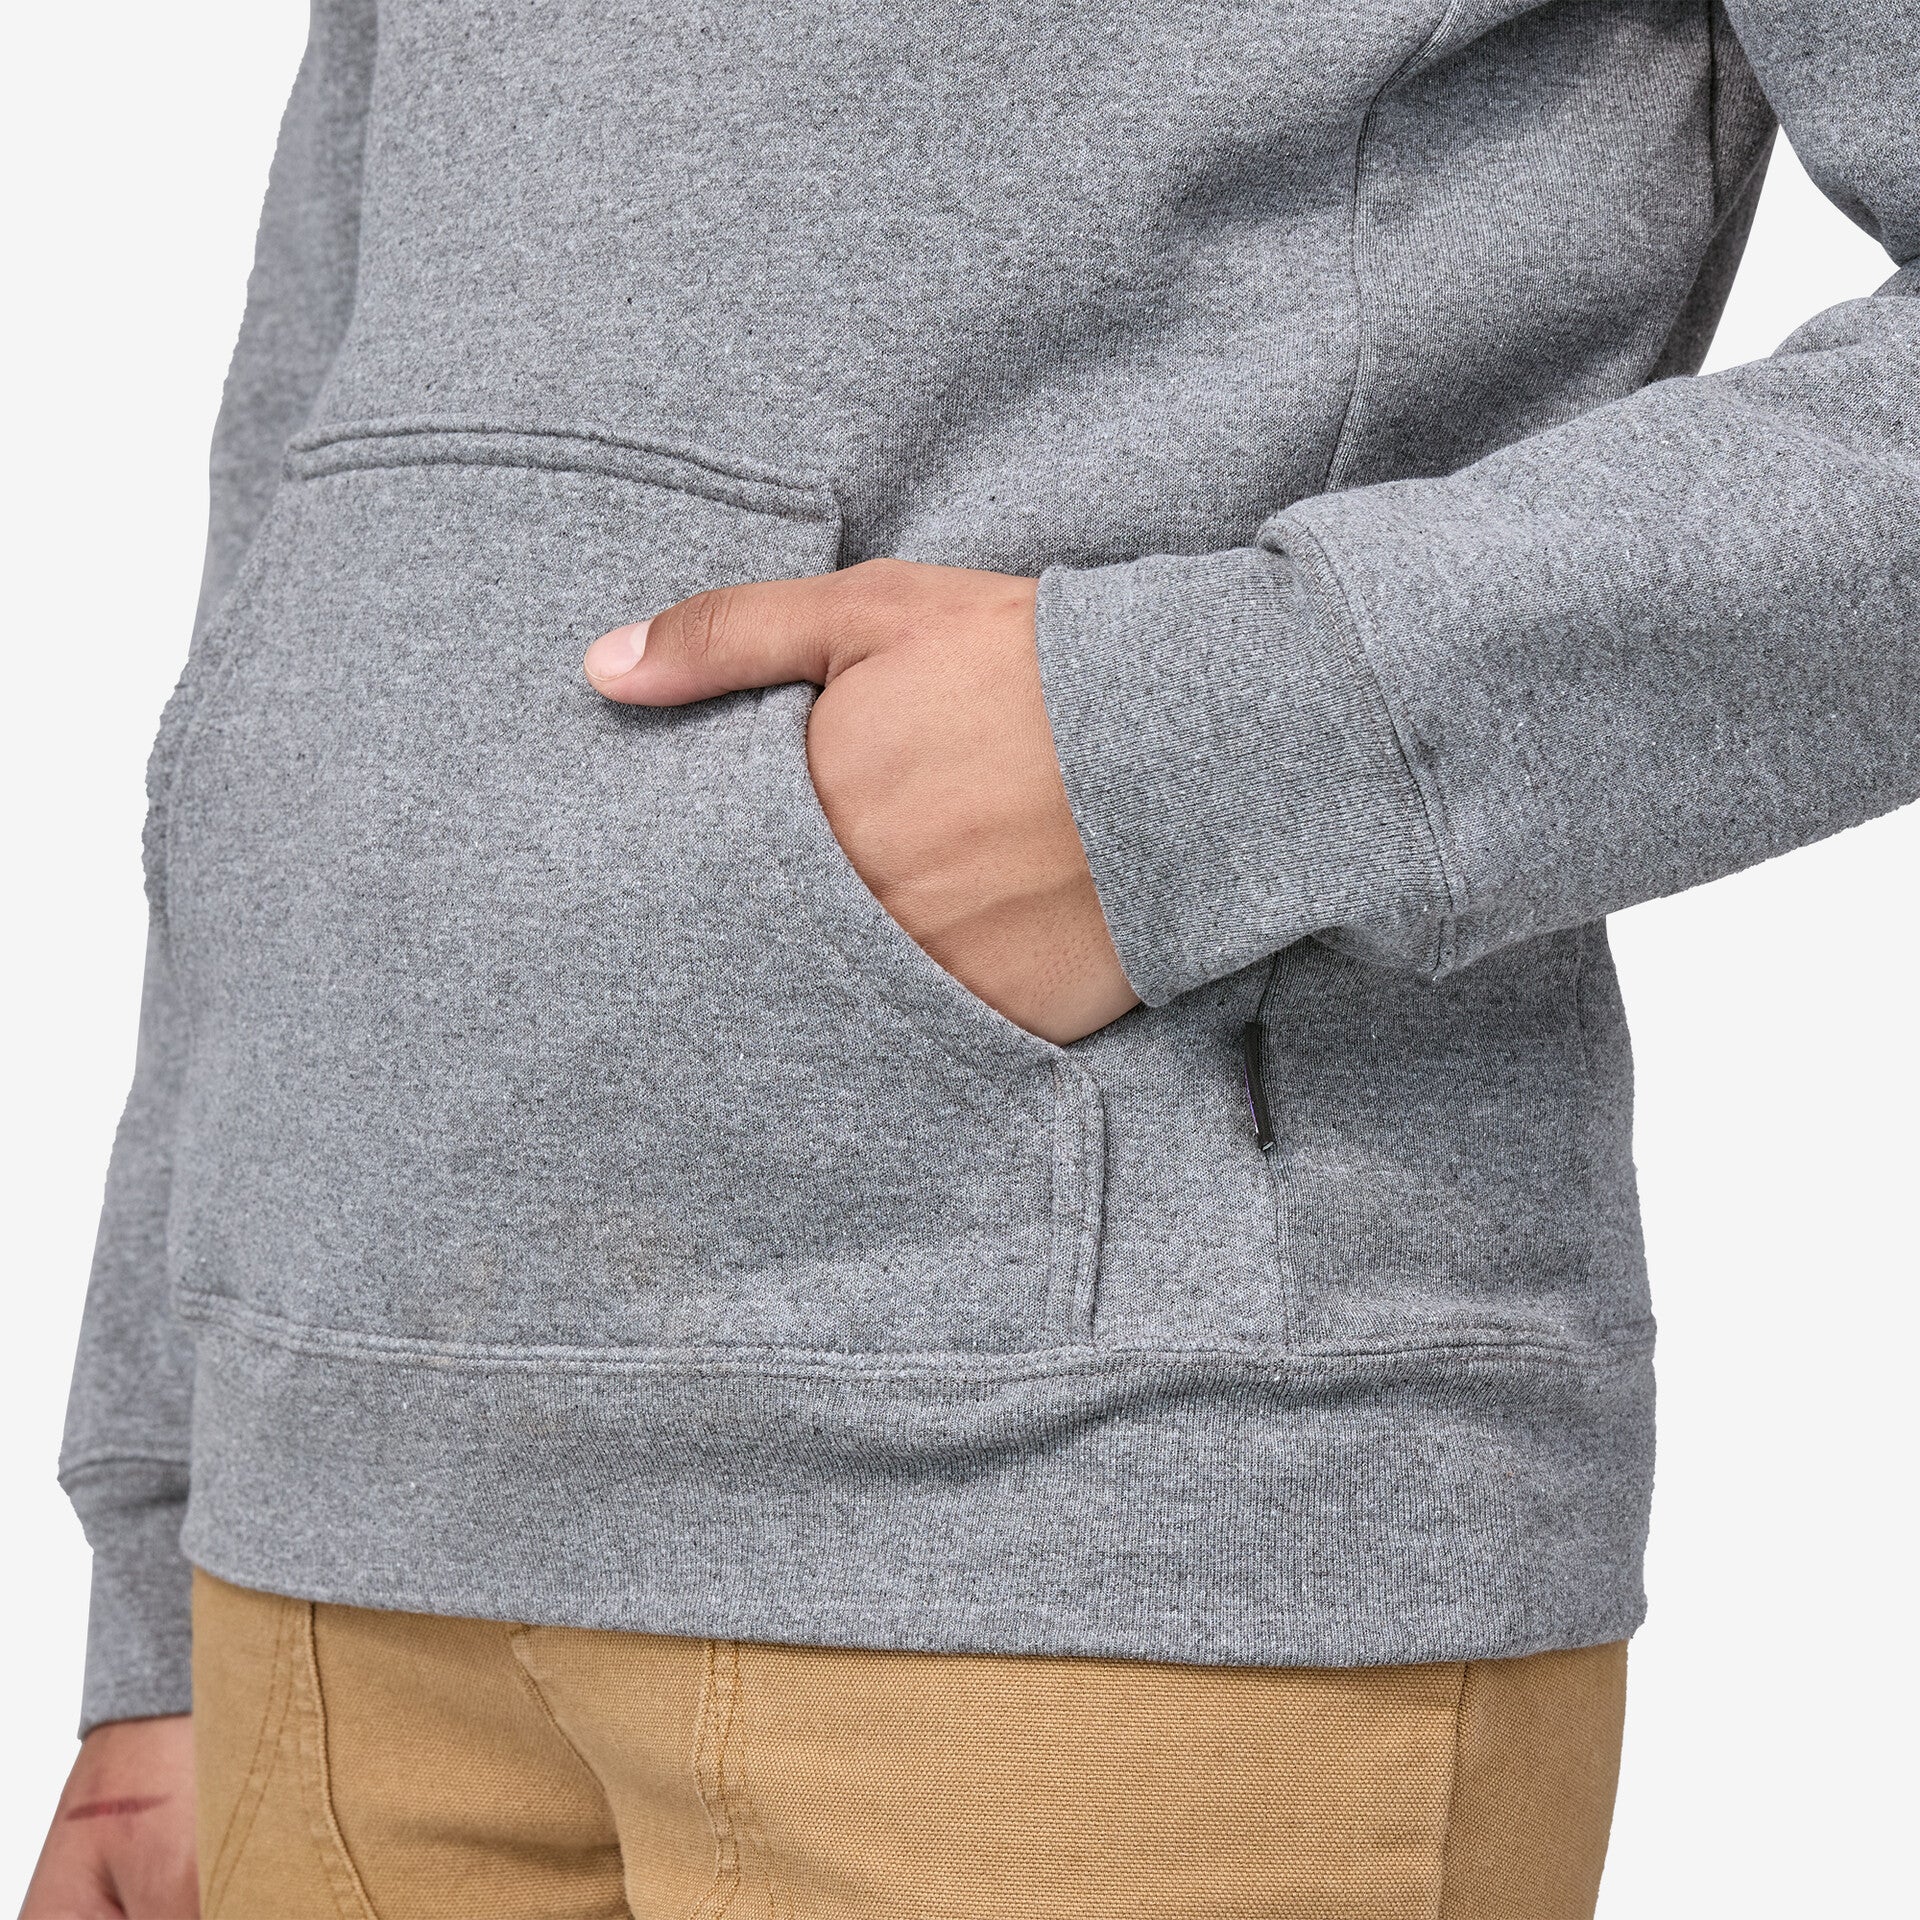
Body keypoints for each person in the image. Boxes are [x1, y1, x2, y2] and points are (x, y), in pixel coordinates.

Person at [23, 1, 1917, 1914]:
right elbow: (306, 494)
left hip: (1089, 1498)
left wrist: (1180, 747)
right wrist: (157, 1557)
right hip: (319, 1527)